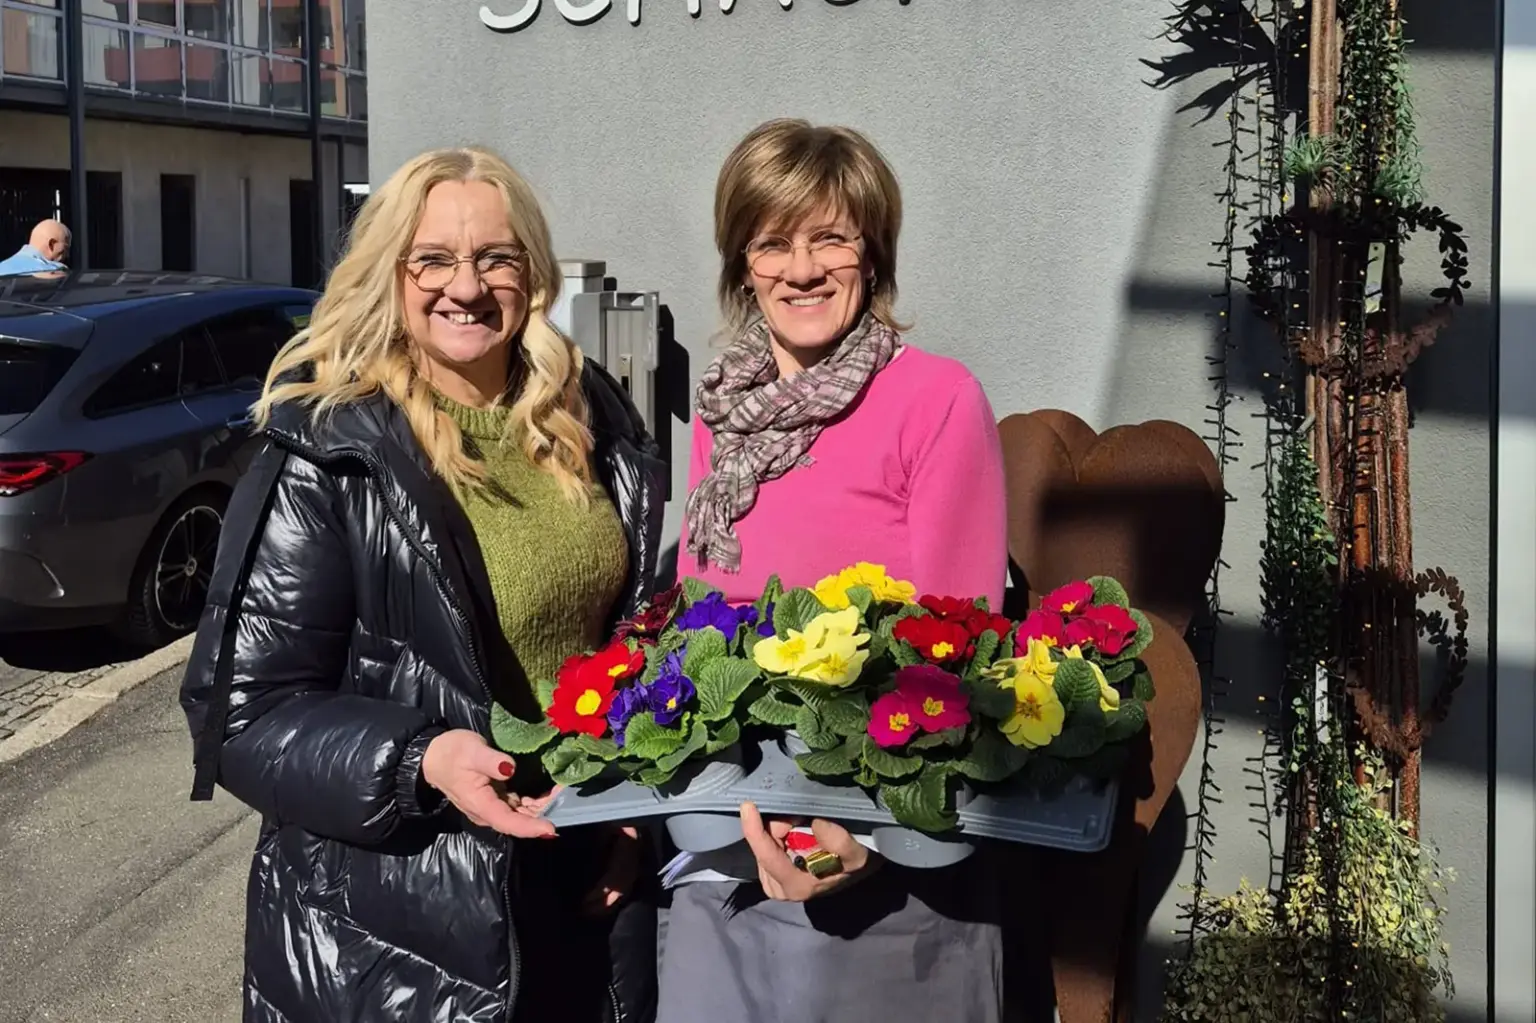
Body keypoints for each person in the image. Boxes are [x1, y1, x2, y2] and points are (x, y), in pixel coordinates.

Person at [179, 147, 666, 1023]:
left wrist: (636, 794)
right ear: (390, 274)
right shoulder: (331, 450)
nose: (466, 287)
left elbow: (620, 637)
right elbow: (238, 713)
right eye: (433, 259)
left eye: (495, 257)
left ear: (533, 271)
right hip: (399, 914)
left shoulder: (588, 410)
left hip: (579, 869)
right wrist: (419, 757)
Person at [662, 119, 1009, 1022]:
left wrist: (855, 839)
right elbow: (703, 613)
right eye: (773, 241)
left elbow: (959, 648)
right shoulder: (723, 412)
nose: (802, 268)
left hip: (876, 852)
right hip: (724, 839)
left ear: (873, 252)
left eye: (831, 238)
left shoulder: (935, 400)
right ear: (743, 261)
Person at [0, 219, 70, 275]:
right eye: (65, 249)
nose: (67, 255)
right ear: (51, 244)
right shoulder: (54, 273)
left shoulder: (2, 268)